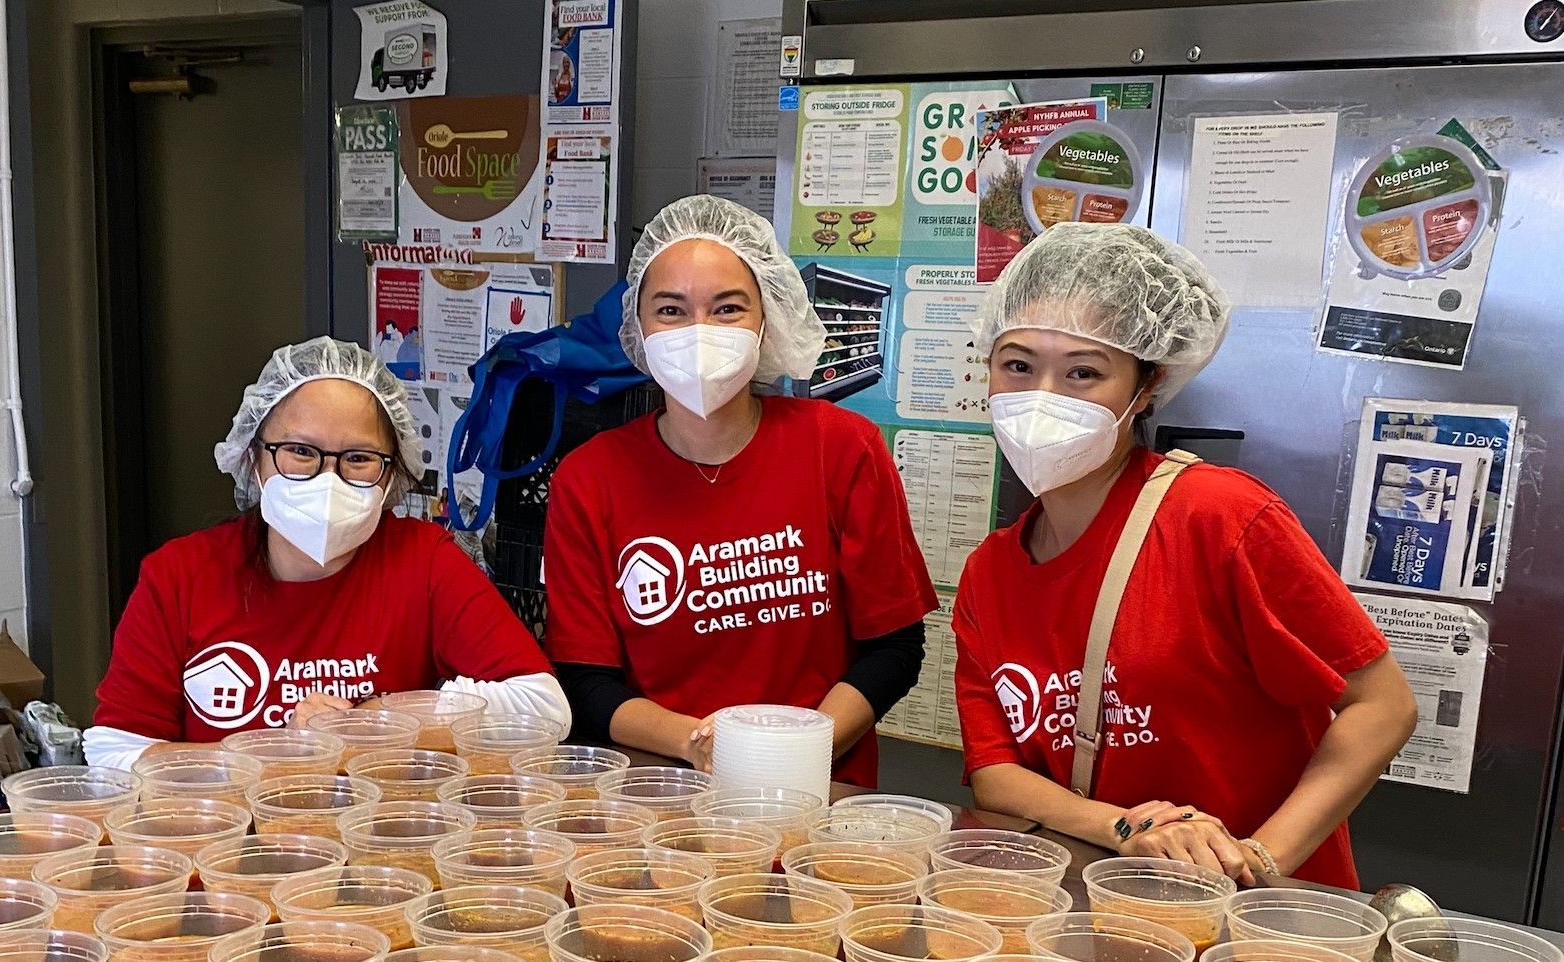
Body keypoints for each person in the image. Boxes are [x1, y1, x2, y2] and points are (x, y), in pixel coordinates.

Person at [953, 222, 1417, 888]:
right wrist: (1134, 830)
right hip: (1100, 905)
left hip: (1253, 920)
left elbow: (1382, 705)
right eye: (1017, 365)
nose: (1043, 397)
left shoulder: (1218, 518)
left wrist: (1254, 858)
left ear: (1146, 387)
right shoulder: (991, 570)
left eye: (1083, 372)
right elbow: (997, 777)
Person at [543, 195, 937, 786]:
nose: (698, 332)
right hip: (661, 798)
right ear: (639, 328)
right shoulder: (590, 478)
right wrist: (696, 744)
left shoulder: (841, 448)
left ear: (767, 319)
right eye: (671, 310)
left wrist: (796, 754)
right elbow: (586, 679)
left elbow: (895, 648)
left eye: (727, 308)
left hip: (818, 794)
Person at [84, 337, 569, 769]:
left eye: (358, 458)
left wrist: (378, 723)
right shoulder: (181, 576)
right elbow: (114, 754)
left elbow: (544, 707)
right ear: (253, 458)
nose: (327, 478)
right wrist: (285, 754)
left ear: (393, 473)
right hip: (229, 852)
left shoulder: (424, 563)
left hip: (382, 851)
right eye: (300, 451)